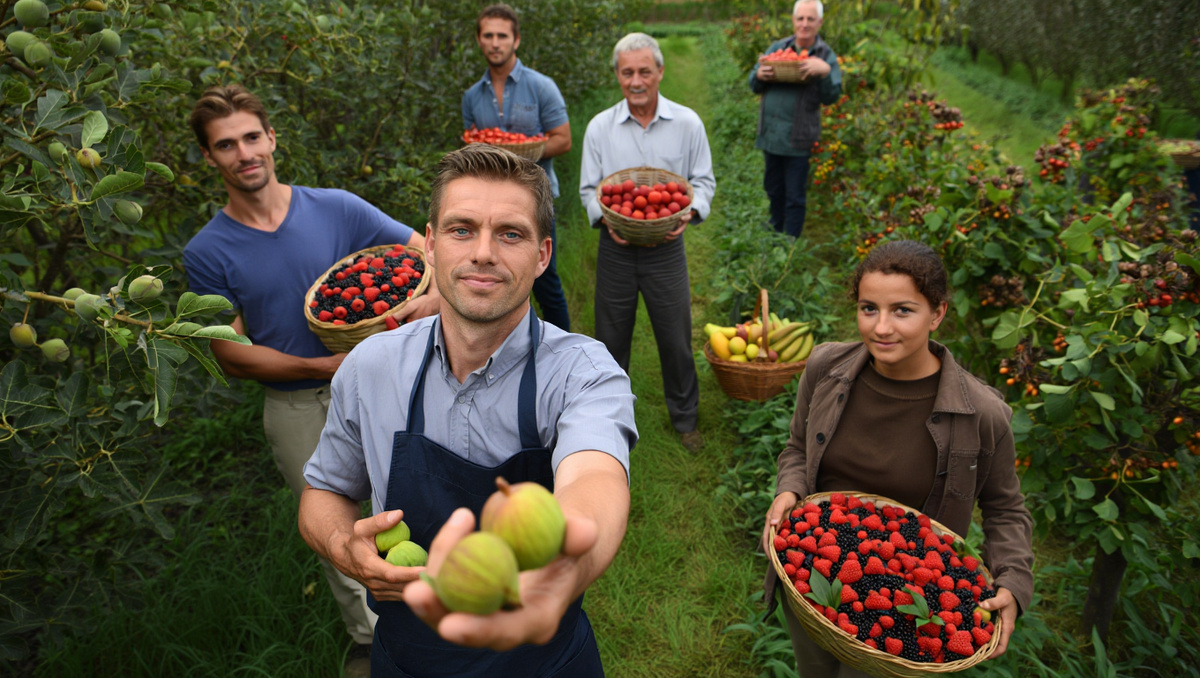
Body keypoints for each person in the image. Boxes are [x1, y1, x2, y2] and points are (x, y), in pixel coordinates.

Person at [298, 144, 637, 678]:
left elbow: (595, 478)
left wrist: (567, 567)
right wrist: (344, 547)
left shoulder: (582, 372)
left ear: (543, 255)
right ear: (430, 246)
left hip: (544, 662)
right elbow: (325, 492)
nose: (483, 252)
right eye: (461, 230)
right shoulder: (370, 366)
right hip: (406, 659)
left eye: (510, 233)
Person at [181, 84, 439, 677]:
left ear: (272, 138)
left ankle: (439, 611)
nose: (244, 153)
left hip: (380, 387)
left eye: (252, 137)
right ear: (210, 159)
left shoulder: (336, 208)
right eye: (226, 145)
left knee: (412, 503)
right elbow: (227, 351)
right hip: (297, 407)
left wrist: (425, 304)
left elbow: (423, 252)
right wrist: (325, 367)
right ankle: (373, 640)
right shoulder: (207, 251)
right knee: (336, 530)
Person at [761, 240, 1034, 677]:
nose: (881, 327)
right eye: (869, 308)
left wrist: (1013, 583)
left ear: (937, 313)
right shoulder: (825, 368)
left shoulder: (981, 414)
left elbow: (1005, 508)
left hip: (907, 599)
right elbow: (796, 448)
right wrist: (789, 490)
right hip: (816, 574)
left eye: (903, 310)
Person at [579, 32, 716, 452]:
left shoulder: (688, 123)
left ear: (660, 72)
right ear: (618, 76)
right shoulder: (600, 127)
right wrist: (607, 219)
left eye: (644, 71)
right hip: (615, 249)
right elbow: (589, 190)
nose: (636, 80)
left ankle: (685, 418)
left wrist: (689, 212)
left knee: (675, 339)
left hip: (667, 251)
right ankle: (610, 425)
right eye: (627, 73)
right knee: (610, 341)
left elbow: (702, 182)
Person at [462, 3, 572, 331]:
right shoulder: (472, 96)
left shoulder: (540, 86)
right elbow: (473, 142)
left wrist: (515, 156)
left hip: (536, 199)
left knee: (544, 279)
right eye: (488, 36)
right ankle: (510, 343)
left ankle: (566, 349)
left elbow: (563, 140)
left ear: (516, 40)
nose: (495, 43)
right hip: (488, 204)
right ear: (480, 41)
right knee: (497, 278)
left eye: (502, 36)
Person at [749, 0, 842, 238]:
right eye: (800, 18)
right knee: (773, 187)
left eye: (811, 19)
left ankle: (789, 243)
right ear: (793, 20)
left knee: (795, 195)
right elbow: (753, 84)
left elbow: (832, 97)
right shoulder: (778, 48)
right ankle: (775, 228)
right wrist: (758, 75)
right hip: (772, 134)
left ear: (820, 22)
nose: (805, 24)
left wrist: (824, 73)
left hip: (799, 137)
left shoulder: (825, 56)